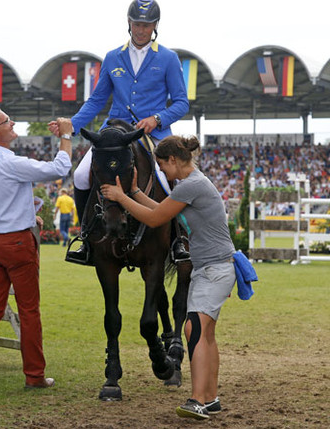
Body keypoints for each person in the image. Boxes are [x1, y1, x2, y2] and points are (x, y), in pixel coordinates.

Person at [101, 135, 236, 421]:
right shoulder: (191, 184)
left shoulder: (192, 185)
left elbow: (154, 219)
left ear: (173, 160)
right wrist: (135, 191)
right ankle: (210, 398)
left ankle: (198, 400)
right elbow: (161, 210)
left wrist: (122, 196)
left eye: (162, 166)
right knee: (205, 335)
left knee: (194, 331)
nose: (161, 171)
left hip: (213, 269)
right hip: (212, 267)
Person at [50, 0, 189, 265]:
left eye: (147, 25)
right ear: (129, 23)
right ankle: (86, 239)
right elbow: (96, 100)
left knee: (173, 180)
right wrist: (72, 124)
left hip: (153, 134)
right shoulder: (113, 57)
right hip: (114, 132)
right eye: (137, 24)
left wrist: (157, 118)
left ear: (155, 26)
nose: (141, 30)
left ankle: (177, 240)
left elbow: (182, 102)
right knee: (80, 175)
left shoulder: (169, 58)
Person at [0, 107, 72, 389]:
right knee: (29, 309)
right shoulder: (10, 161)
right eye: (7, 121)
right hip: (17, 242)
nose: (13, 122)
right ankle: (34, 375)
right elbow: (59, 169)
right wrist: (66, 135)